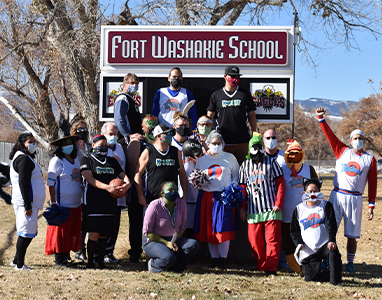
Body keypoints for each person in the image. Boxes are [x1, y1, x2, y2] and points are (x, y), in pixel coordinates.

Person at [316, 107, 377, 273]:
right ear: (350, 141)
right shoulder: (342, 150)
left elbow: (372, 184)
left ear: (365, 140)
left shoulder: (369, 160)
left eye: (361, 138)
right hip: (337, 195)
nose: (358, 140)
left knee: (352, 234)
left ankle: (350, 262)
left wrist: (371, 204)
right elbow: (330, 136)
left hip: (355, 198)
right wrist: (321, 119)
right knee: (330, 229)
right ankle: (327, 260)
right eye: (355, 138)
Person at [80, 135, 130, 269]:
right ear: (93, 144)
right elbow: (89, 178)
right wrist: (108, 187)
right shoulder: (87, 159)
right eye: (100, 145)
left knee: (104, 235)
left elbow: (122, 175)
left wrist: (127, 184)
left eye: (105, 145)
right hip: (93, 201)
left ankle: (101, 262)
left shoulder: (112, 161)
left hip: (110, 202)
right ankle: (90, 262)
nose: (103, 147)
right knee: (94, 233)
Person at [239, 133, 285, 276]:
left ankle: (271, 268)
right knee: (254, 241)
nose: (257, 150)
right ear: (249, 149)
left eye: (260, 147)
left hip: (271, 209)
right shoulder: (244, 166)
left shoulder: (272, 163)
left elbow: (281, 184)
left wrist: (279, 203)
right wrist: (242, 208)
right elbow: (242, 189)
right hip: (253, 211)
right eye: (254, 147)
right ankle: (261, 264)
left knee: (272, 240)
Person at [194, 130, 240, 269]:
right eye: (213, 143)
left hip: (224, 197)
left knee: (223, 229)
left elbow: (236, 176)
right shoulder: (202, 160)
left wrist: (232, 188)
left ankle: (223, 260)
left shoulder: (230, 158)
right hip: (207, 197)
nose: (216, 145)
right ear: (208, 144)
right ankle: (214, 259)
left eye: (218, 143)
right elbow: (196, 178)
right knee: (209, 229)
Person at [290, 178, 342, 285]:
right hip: (308, 250)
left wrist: (332, 240)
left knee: (333, 252)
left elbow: (332, 225)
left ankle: (335, 281)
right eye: (310, 192)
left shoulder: (326, 206)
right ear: (304, 193)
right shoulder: (299, 209)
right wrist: (299, 243)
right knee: (310, 277)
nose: (313, 194)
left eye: (315, 191)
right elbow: (294, 231)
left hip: (324, 246)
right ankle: (327, 274)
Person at [142, 181, 200, 273]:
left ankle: (176, 269)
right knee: (168, 257)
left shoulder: (181, 204)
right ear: (162, 193)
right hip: (154, 240)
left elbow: (182, 227)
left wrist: (173, 241)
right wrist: (166, 243)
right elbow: (148, 232)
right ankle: (153, 265)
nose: (173, 192)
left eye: (175, 190)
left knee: (193, 244)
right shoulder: (154, 205)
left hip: (173, 238)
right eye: (169, 190)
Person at [9, 132, 46, 270]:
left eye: (34, 141)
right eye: (30, 142)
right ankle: (19, 265)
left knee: (27, 231)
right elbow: (23, 182)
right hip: (26, 202)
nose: (33, 144)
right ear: (22, 143)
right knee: (25, 232)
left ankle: (15, 260)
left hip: (29, 201)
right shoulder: (23, 159)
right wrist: (27, 205)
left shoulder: (25, 157)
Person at [45, 133, 82, 267]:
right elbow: (50, 183)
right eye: (65, 144)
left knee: (71, 231)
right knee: (61, 232)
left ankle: (66, 256)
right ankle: (59, 260)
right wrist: (53, 202)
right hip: (62, 204)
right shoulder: (56, 161)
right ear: (60, 147)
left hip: (76, 203)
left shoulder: (76, 159)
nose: (68, 147)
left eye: (70, 143)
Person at [207, 66, 257, 164]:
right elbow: (210, 116)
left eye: (237, 76)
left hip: (242, 140)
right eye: (232, 76)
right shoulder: (216, 95)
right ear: (225, 76)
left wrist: (254, 133)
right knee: (225, 169)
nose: (235, 79)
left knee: (244, 168)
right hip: (223, 141)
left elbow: (251, 114)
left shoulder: (245, 94)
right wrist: (208, 135)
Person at [281, 139, 318, 273]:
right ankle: (295, 266)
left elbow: (316, 189)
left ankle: (308, 264)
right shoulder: (281, 168)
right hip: (286, 213)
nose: (293, 157)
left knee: (306, 240)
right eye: (291, 154)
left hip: (305, 214)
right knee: (288, 240)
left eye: (297, 154)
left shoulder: (309, 169)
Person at [126, 114, 158, 263]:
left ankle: (153, 250)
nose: (151, 126)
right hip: (139, 187)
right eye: (148, 123)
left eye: (154, 123)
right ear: (142, 126)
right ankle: (135, 251)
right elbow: (134, 169)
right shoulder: (137, 142)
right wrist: (139, 189)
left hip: (155, 189)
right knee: (137, 221)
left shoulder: (160, 141)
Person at [134, 124, 188, 208]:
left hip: (172, 200)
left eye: (170, 133)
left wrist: (185, 195)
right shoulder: (148, 151)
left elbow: (182, 174)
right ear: (158, 136)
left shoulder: (175, 151)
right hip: (153, 199)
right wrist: (140, 196)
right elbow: (138, 174)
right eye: (167, 134)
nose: (170, 136)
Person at [100, 122, 127, 263]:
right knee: (104, 223)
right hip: (105, 191)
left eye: (116, 134)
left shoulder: (121, 148)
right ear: (103, 134)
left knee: (115, 224)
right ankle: (100, 252)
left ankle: (109, 252)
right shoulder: (100, 149)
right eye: (111, 134)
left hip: (119, 192)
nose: (114, 137)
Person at [171, 114, 201, 236]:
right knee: (175, 228)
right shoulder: (169, 144)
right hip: (175, 193)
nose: (183, 127)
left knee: (191, 229)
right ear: (174, 127)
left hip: (193, 194)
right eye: (180, 125)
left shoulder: (195, 144)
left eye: (186, 125)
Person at [262, 129, 288, 270]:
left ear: (278, 139)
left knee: (282, 234)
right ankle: (268, 262)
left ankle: (283, 263)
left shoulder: (285, 157)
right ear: (263, 140)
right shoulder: (257, 157)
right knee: (267, 236)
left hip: (283, 201)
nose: (271, 139)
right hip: (263, 204)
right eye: (268, 137)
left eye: (273, 137)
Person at [71, 119, 91, 262]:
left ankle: (82, 248)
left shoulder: (89, 146)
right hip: (75, 183)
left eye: (84, 129)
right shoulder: (71, 147)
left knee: (86, 220)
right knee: (77, 219)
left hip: (88, 185)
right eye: (79, 129)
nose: (82, 132)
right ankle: (77, 248)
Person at [114, 73, 143, 151]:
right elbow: (118, 119)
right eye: (132, 83)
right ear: (124, 84)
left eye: (137, 83)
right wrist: (129, 135)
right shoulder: (122, 98)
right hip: (127, 142)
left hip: (135, 140)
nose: (135, 85)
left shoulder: (131, 99)